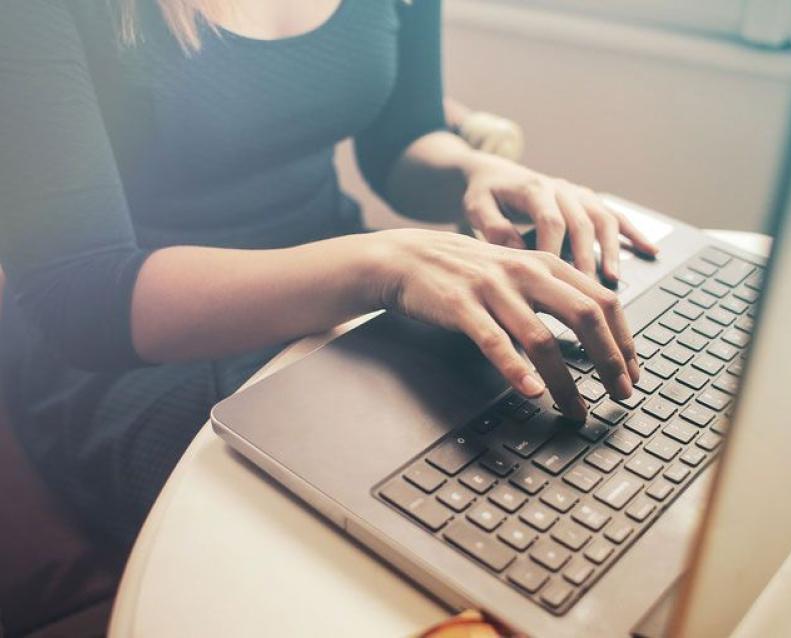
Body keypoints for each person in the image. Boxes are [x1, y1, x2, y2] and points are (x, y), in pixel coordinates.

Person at [0, 0, 657, 557]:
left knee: (518, 487)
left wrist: (471, 174)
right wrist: (383, 264)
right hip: (140, 350)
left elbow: (403, 138)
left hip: (341, 283)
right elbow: (81, 297)